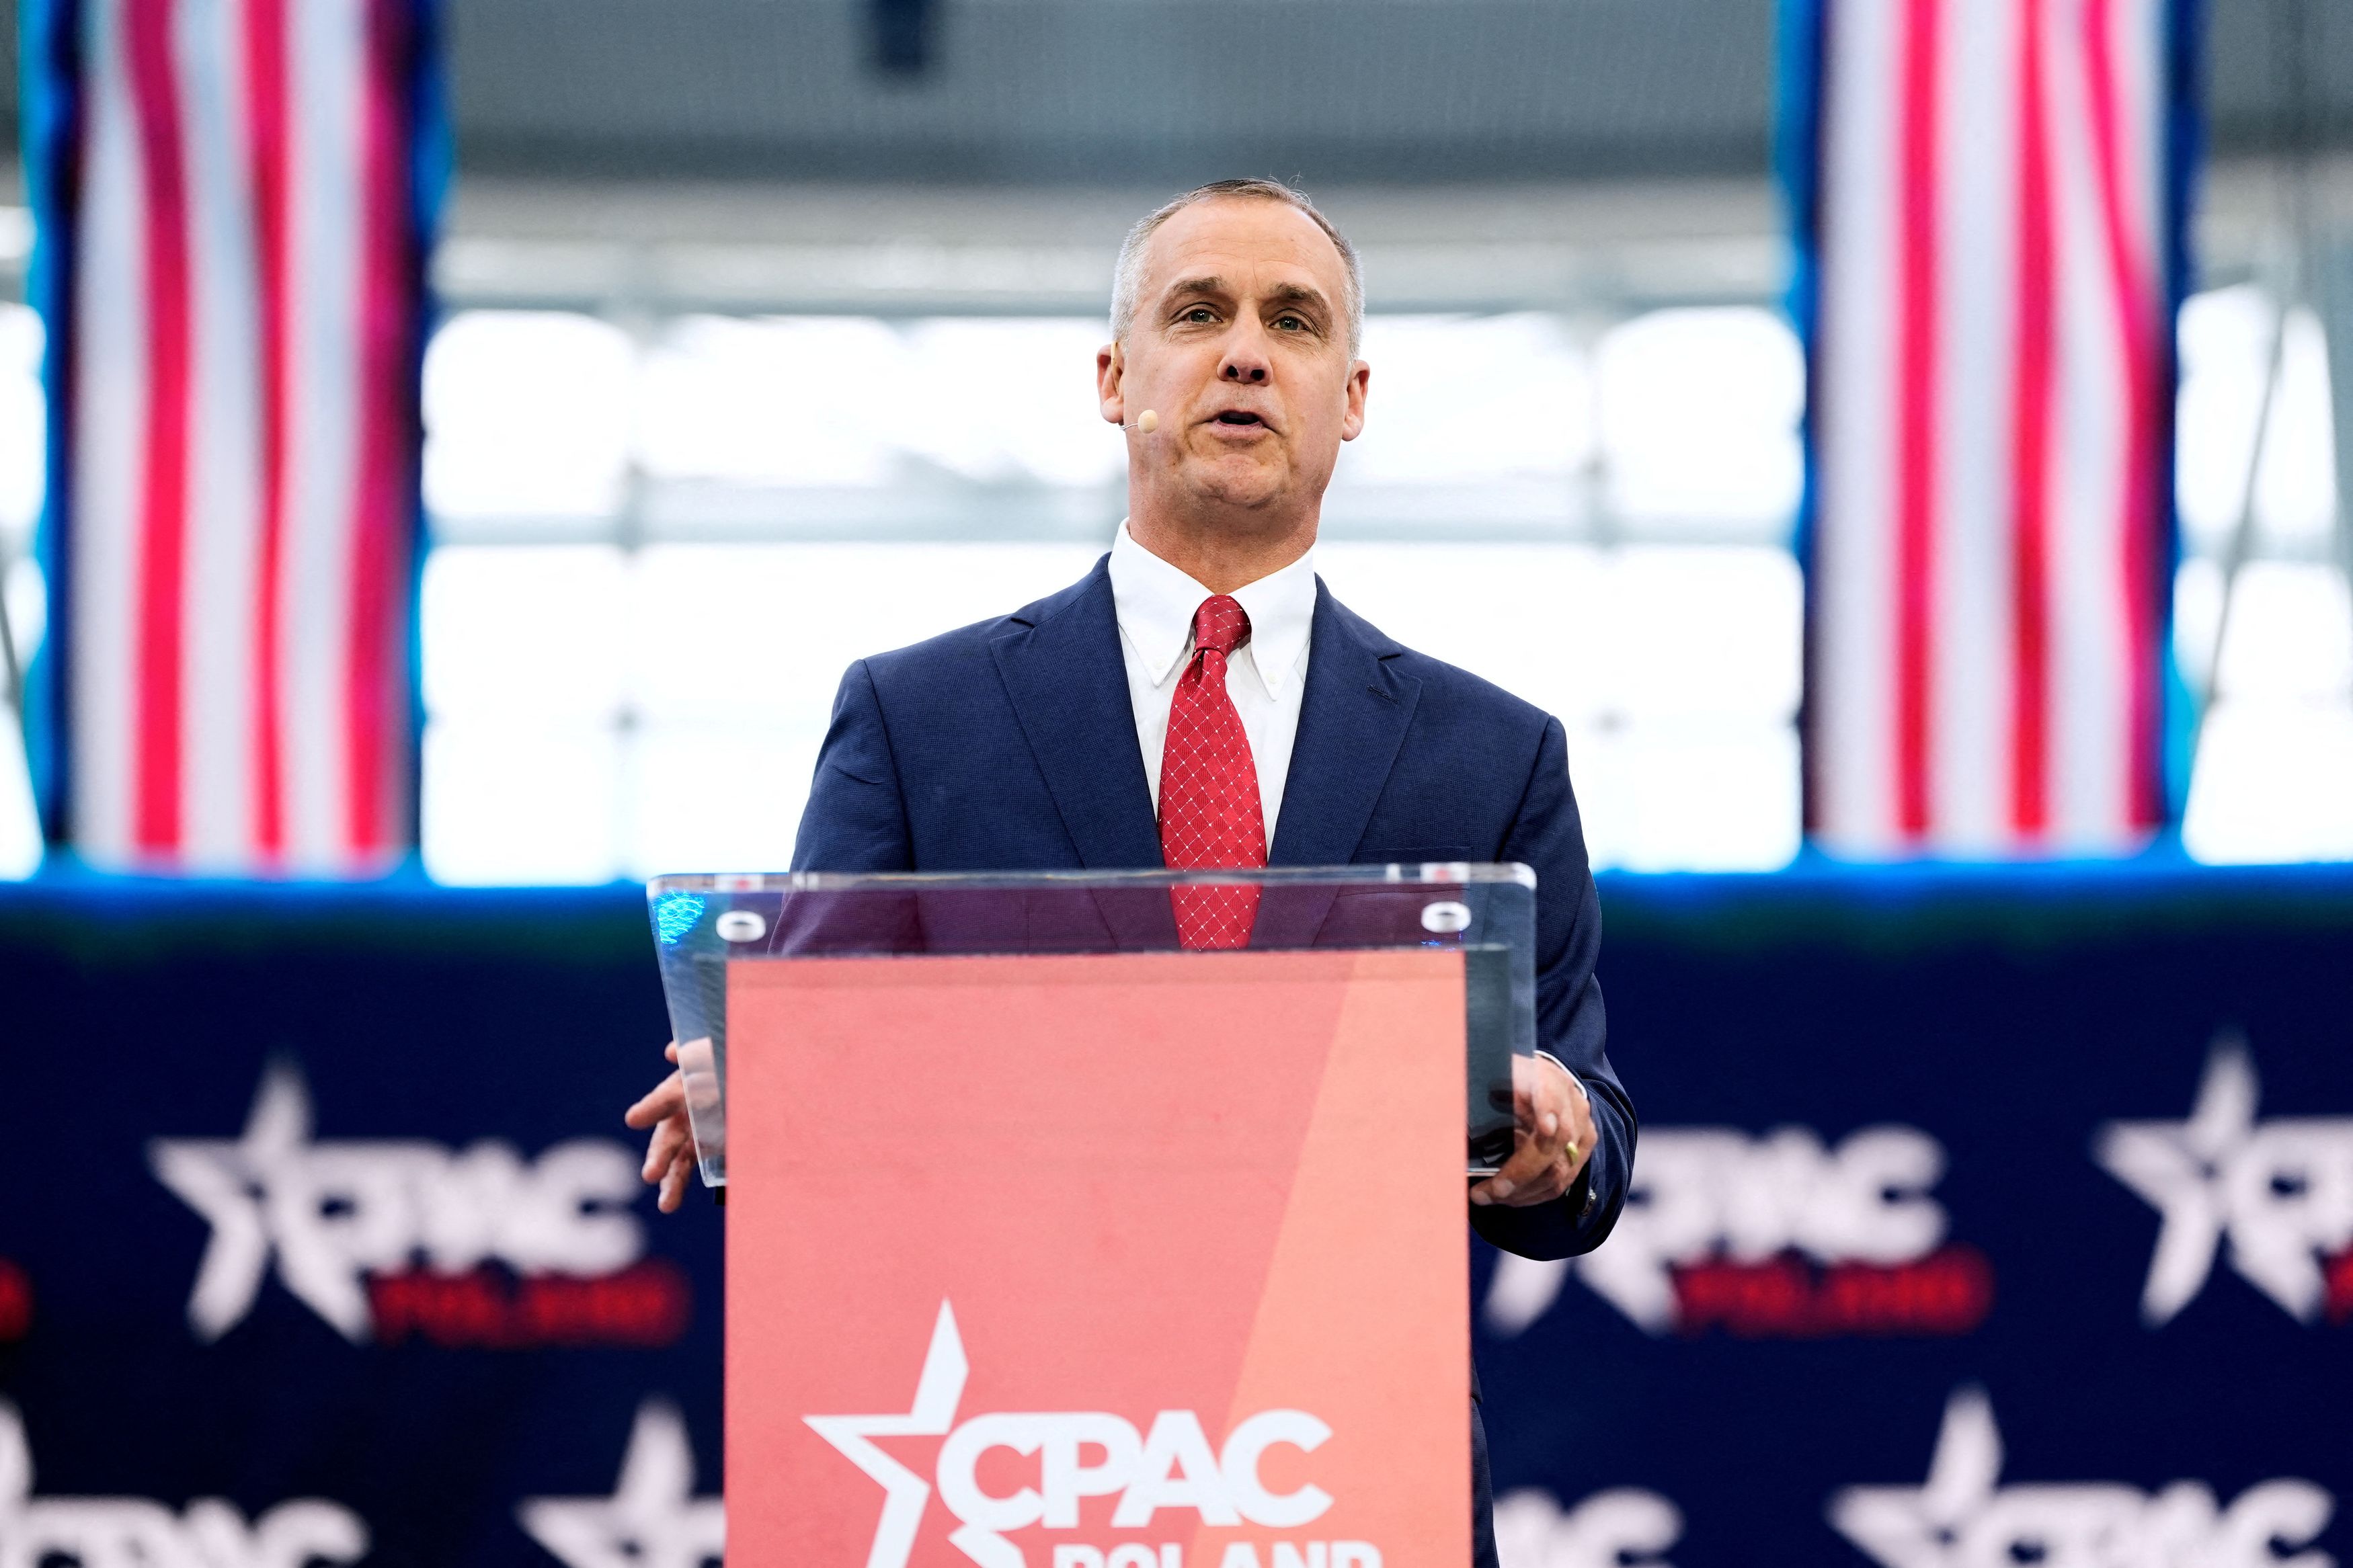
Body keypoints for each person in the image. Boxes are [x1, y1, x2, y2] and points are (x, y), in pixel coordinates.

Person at [626, 177, 1635, 1568]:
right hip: (1003, 1476)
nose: (1245, 354)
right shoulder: (916, 720)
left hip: (1341, 1478)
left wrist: (1556, 1137)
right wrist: (777, 1088)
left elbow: (1590, 1146)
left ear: (1350, 397)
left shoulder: (1494, 754)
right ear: (1113, 378)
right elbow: (826, 1102)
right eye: (1199, 313)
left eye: (1293, 322)